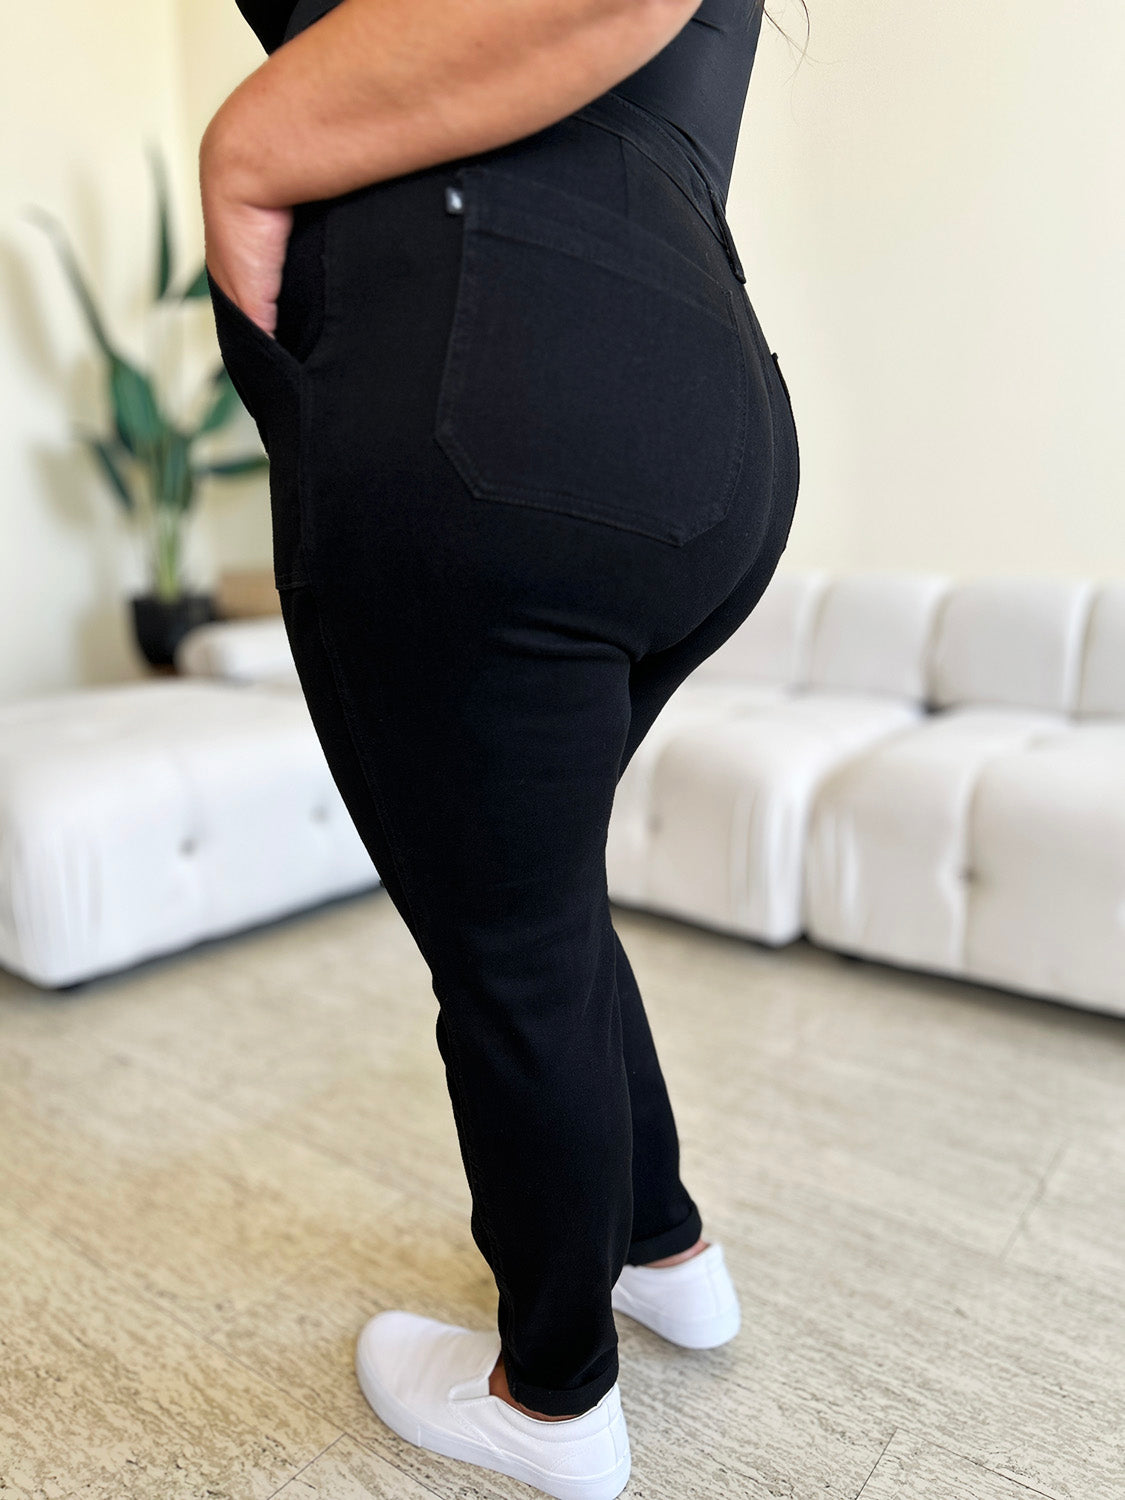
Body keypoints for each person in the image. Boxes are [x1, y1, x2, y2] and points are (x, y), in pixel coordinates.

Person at [200, 0, 800, 1494]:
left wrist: (249, 143)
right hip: (696, 411)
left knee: (506, 943)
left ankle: (551, 1398)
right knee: (534, 902)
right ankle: (661, 1246)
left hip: (487, 390)